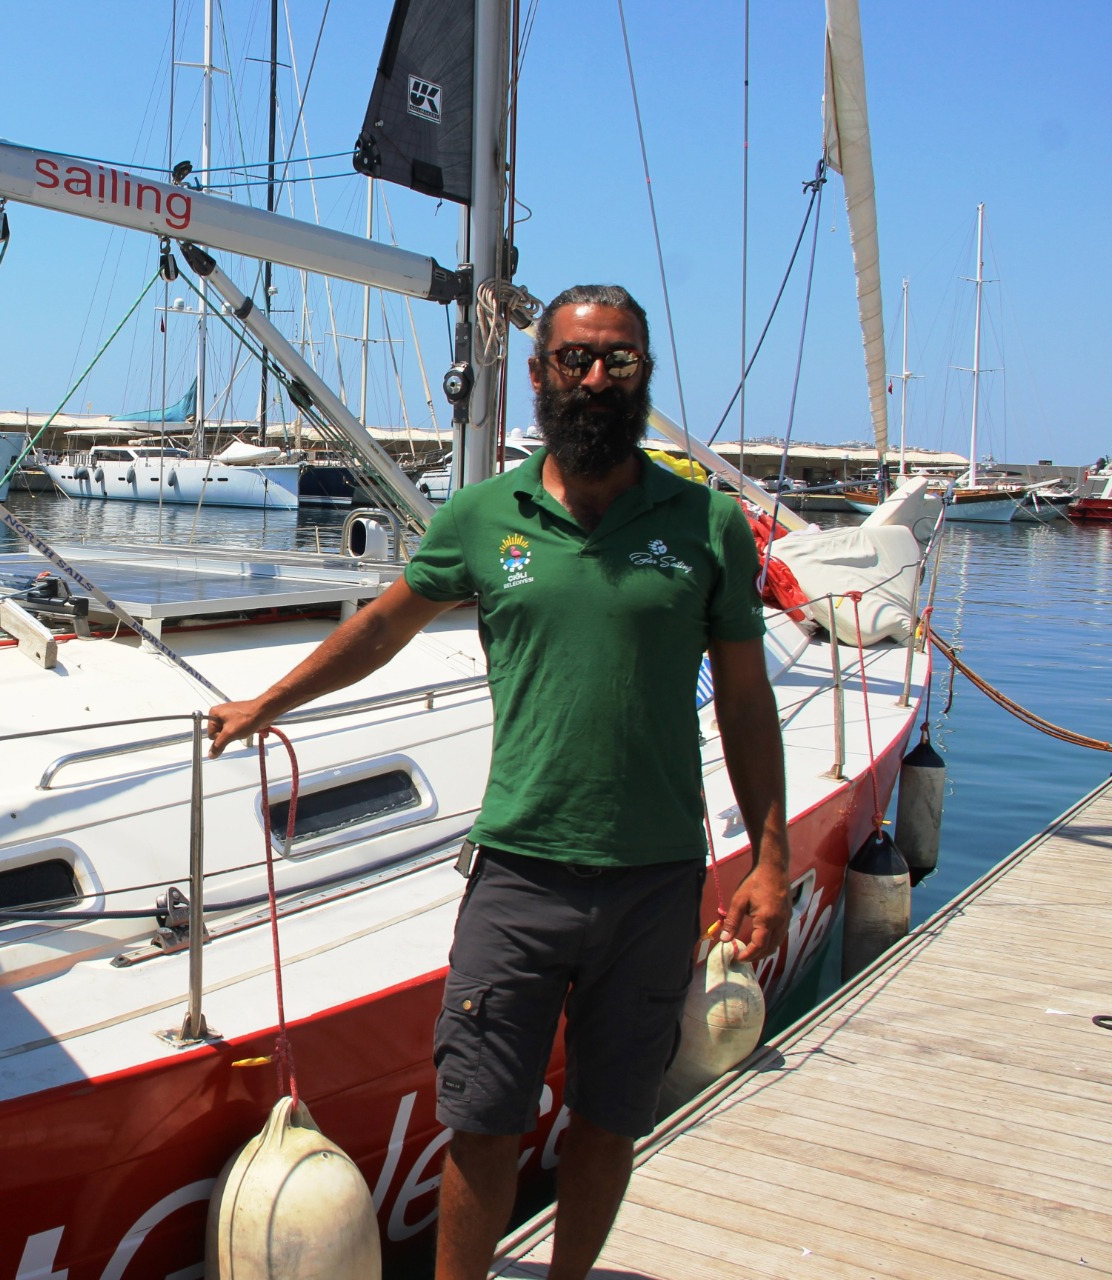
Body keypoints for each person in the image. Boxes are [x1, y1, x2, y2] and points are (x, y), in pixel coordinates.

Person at [206, 285, 790, 1280]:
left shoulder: (708, 524)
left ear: (645, 375)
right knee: (480, 1121)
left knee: (610, 1119)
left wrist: (770, 858)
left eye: (618, 360)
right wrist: (270, 700)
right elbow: (383, 625)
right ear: (538, 376)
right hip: (518, 872)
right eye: (574, 359)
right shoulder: (485, 515)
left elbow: (744, 696)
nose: (595, 379)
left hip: (655, 876)